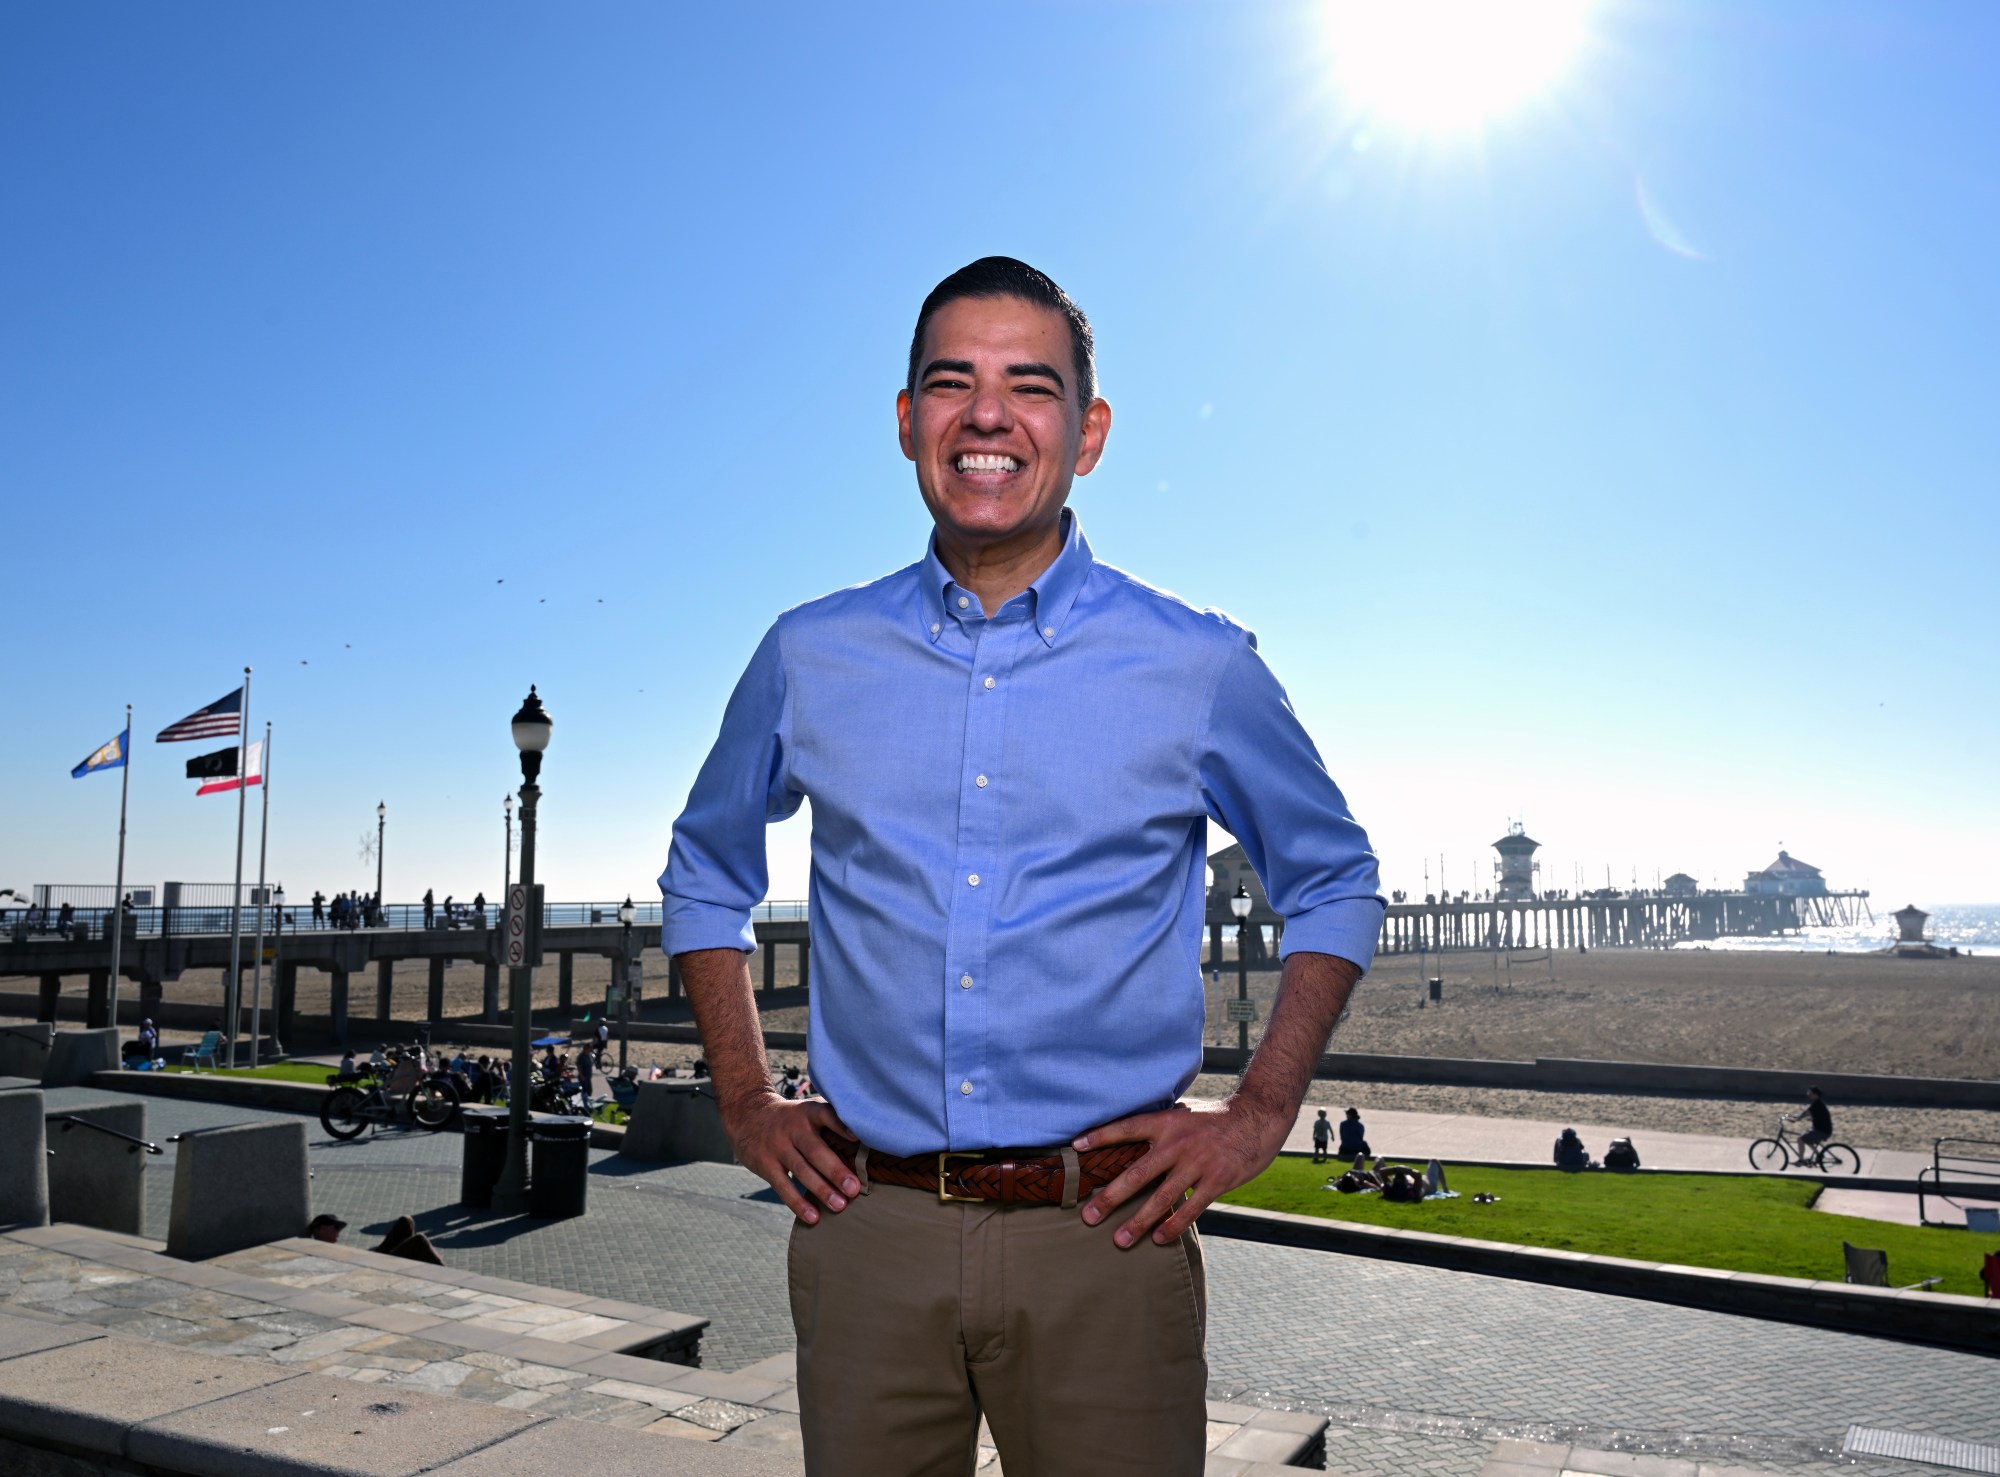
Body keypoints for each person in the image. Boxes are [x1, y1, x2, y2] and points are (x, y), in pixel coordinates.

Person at [660, 257, 1382, 1476]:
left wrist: (1257, 1116)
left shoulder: (1197, 665)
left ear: (1086, 433)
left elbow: (1334, 880)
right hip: (863, 1230)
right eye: (952, 382)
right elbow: (703, 868)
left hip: (1104, 1236)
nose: (986, 415)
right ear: (906, 423)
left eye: (1028, 386)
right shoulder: (808, 652)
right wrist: (743, 1100)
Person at [1788, 1086, 1833, 1159]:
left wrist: (1795, 1119)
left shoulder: (1816, 1105)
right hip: (1820, 1129)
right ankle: (1819, 1155)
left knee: (1800, 1139)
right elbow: (1802, 1114)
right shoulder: (1817, 1104)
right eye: (1808, 1093)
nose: (1808, 1095)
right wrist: (1788, 1116)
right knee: (1806, 1138)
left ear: (1816, 1095)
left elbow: (1804, 1114)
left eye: (1810, 1093)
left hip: (1822, 1131)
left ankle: (1801, 1160)